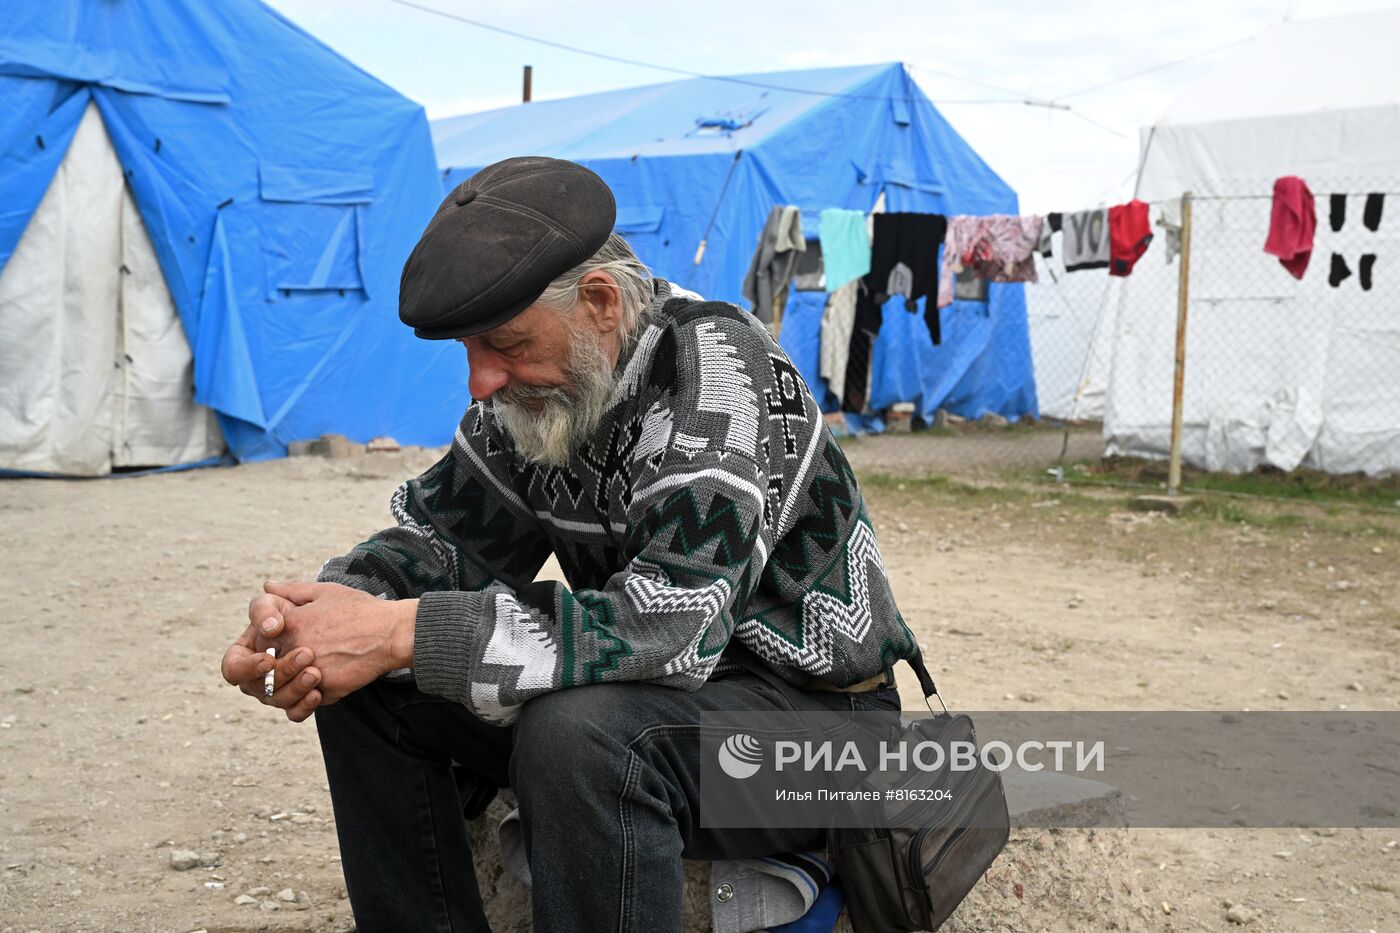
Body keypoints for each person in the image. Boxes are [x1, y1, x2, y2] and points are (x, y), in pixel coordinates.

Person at [220, 156, 920, 932]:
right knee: (370, 684)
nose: (481, 380)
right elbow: (440, 538)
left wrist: (399, 630)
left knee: (578, 735)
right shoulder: (538, 390)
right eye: (468, 350)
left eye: (503, 343)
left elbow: (669, 627)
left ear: (599, 302)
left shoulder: (721, 379)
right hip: (668, 711)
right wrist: (319, 618)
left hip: (827, 745)